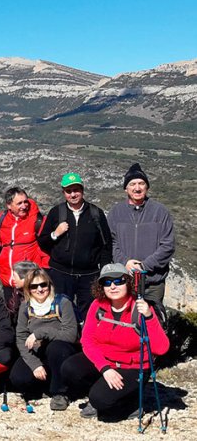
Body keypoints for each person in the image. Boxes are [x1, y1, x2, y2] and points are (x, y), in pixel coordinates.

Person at [62, 263, 169, 420]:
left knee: (101, 401)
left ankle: (131, 402)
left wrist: (149, 316)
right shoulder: (98, 305)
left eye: (119, 281)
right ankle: (101, 392)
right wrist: (105, 369)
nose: (113, 286)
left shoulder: (140, 309)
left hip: (132, 367)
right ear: (101, 287)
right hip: (106, 362)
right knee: (69, 369)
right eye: (107, 282)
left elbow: (161, 348)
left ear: (129, 283)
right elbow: (87, 340)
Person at [37, 173, 112, 317]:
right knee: (61, 313)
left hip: (89, 275)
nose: (73, 194)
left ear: (82, 190)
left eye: (76, 190)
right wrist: (56, 234)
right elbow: (43, 242)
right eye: (68, 191)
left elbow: (106, 245)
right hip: (61, 274)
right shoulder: (56, 212)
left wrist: (103, 271)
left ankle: (85, 339)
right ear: (63, 193)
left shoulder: (96, 213)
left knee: (89, 314)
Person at [8, 268, 78, 411]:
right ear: (28, 289)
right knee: (18, 378)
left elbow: (70, 334)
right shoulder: (25, 307)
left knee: (55, 349)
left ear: (49, 285)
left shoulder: (62, 303)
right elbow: (21, 338)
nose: (40, 289)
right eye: (34, 286)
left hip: (60, 350)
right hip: (37, 352)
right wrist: (35, 365)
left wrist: (40, 333)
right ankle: (44, 387)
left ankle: (60, 393)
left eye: (43, 285)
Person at [108, 163, 175, 306]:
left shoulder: (160, 212)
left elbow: (168, 246)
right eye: (132, 184)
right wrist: (125, 262)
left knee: (154, 321)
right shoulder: (116, 212)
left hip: (153, 283)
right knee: (127, 323)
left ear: (147, 187)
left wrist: (144, 266)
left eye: (141, 183)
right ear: (126, 188)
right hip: (125, 281)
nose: (137, 188)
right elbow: (111, 243)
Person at [0, 187, 49, 303]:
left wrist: (42, 276)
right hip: (8, 281)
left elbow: (46, 248)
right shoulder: (1, 219)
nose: (24, 206)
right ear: (9, 205)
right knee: (12, 316)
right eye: (19, 203)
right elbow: (0, 242)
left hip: (30, 282)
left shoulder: (37, 220)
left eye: (25, 201)